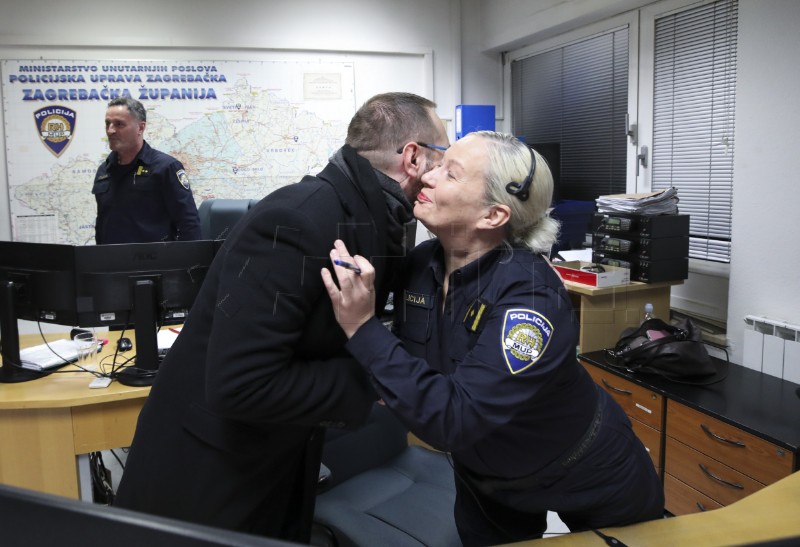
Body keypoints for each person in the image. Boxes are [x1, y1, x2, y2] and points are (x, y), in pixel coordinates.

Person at [113, 92, 449, 542]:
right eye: (443, 156)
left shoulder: (369, 217)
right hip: (210, 477)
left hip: (274, 455)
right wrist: (378, 380)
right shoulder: (296, 221)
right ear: (412, 157)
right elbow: (242, 384)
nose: (445, 172)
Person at [322, 131, 665, 546]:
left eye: (450, 174)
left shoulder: (531, 297)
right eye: (437, 165)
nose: (428, 176)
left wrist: (362, 328)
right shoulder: (418, 267)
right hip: (487, 476)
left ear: (493, 216)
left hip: (587, 468)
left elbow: (456, 418)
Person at [92, 97, 202, 244]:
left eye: (119, 124)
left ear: (140, 128)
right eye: (108, 124)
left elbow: (189, 224)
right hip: (111, 263)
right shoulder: (104, 171)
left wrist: (189, 265)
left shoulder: (166, 168)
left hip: (154, 264)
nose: (110, 130)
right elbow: (103, 225)